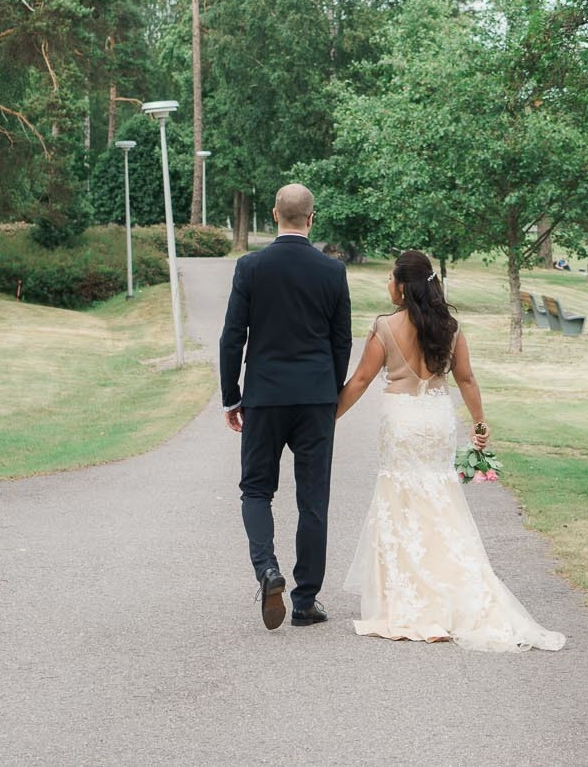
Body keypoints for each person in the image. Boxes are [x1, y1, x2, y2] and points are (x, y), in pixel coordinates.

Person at [335, 249, 565, 651]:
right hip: (438, 419)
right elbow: (466, 378)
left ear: (404, 285)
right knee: (439, 499)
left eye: (391, 278)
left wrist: (328, 418)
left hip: (402, 423)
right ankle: (455, 592)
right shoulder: (450, 327)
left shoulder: (385, 327)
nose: (388, 285)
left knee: (400, 500)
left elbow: (359, 380)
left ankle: (411, 600)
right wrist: (478, 424)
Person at [219, 183, 352, 629]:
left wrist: (231, 396)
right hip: (314, 397)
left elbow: (232, 337)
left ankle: (267, 569)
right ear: (311, 218)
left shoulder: (251, 267)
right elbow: (341, 341)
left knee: (256, 490)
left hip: (265, 397)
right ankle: (305, 600)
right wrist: (330, 391)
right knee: (313, 499)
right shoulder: (332, 272)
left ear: (275, 213)